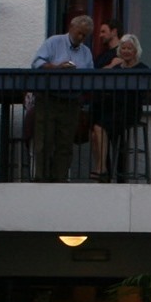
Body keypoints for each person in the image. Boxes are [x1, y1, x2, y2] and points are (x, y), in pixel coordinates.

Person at [30, 13, 95, 182]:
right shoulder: (54, 42)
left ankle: (59, 179)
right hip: (48, 98)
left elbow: (90, 76)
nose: (81, 38)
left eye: (85, 35)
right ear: (71, 28)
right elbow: (37, 63)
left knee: (65, 143)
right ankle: (41, 179)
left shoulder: (86, 52)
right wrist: (57, 68)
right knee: (44, 141)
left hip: (71, 101)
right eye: (79, 33)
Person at [89, 33, 149, 181]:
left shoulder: (142, 68)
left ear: (136, 51)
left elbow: (144, 93)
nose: (126, 51)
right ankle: (105, 171)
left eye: (130, 48)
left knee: (100, 127)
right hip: (112, 108)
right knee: (95, 132)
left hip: (130, 110)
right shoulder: (115, 68)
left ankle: (103, 170)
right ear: (119, 50)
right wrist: (111, 66)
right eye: (123, 48)